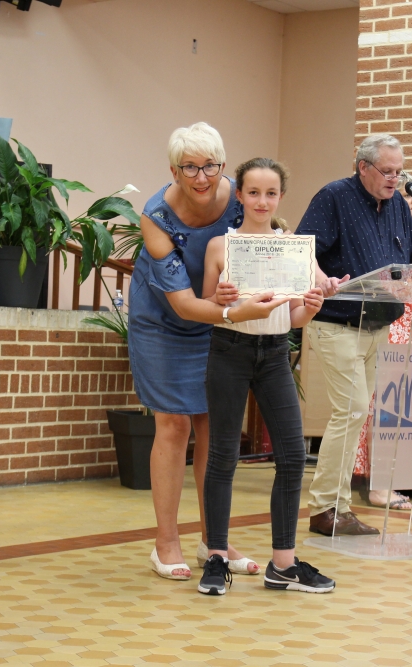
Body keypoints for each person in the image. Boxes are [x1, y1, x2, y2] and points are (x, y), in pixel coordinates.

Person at [128, 123, 288, 580]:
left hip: (219, 319)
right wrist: (234, 314)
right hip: (164, 322)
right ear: (173, 170)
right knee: (175, 423)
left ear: (223, 166)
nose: (202, 177)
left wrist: (315, 282)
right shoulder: (156, 216)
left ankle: (213, 540)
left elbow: (273, 245)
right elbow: (182, 302)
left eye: (211, 167)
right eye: (190, 168)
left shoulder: (241, 197)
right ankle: (166, 542)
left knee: (214, 428)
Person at [297, 134, 412, 537]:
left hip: (379, 325)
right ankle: (326, 508)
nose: (395, 179)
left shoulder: (397, 204)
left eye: (400, 172)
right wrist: (321, 278)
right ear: (363, 166)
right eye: (387, 171)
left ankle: (337, 507)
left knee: (358, 413)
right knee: (351, 411)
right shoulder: (334, 197)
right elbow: (303, 248)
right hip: (338, 323)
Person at [198, 158, 334, 595]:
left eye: (270, 193)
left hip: (274, 355)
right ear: (239, 195)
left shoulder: (293, 247)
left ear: (280, 197)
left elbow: (295, 317)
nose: (262, 201)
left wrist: (312, 306)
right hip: (228, 351)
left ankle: (283, 564)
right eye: (253, 192)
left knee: (292, 456)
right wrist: (219, 298)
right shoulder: (220, 246)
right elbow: (207, 307)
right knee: (222, 455)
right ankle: (216, 557)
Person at [352, 172, 412, 512]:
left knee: (403, 406)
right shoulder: (376, 235)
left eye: (411, 198)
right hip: (388, 325)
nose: (407, 204)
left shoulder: (410, 237)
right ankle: (380, 486)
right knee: (385, 404)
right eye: (402, 197)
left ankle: (393, 479)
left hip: (411, 327)